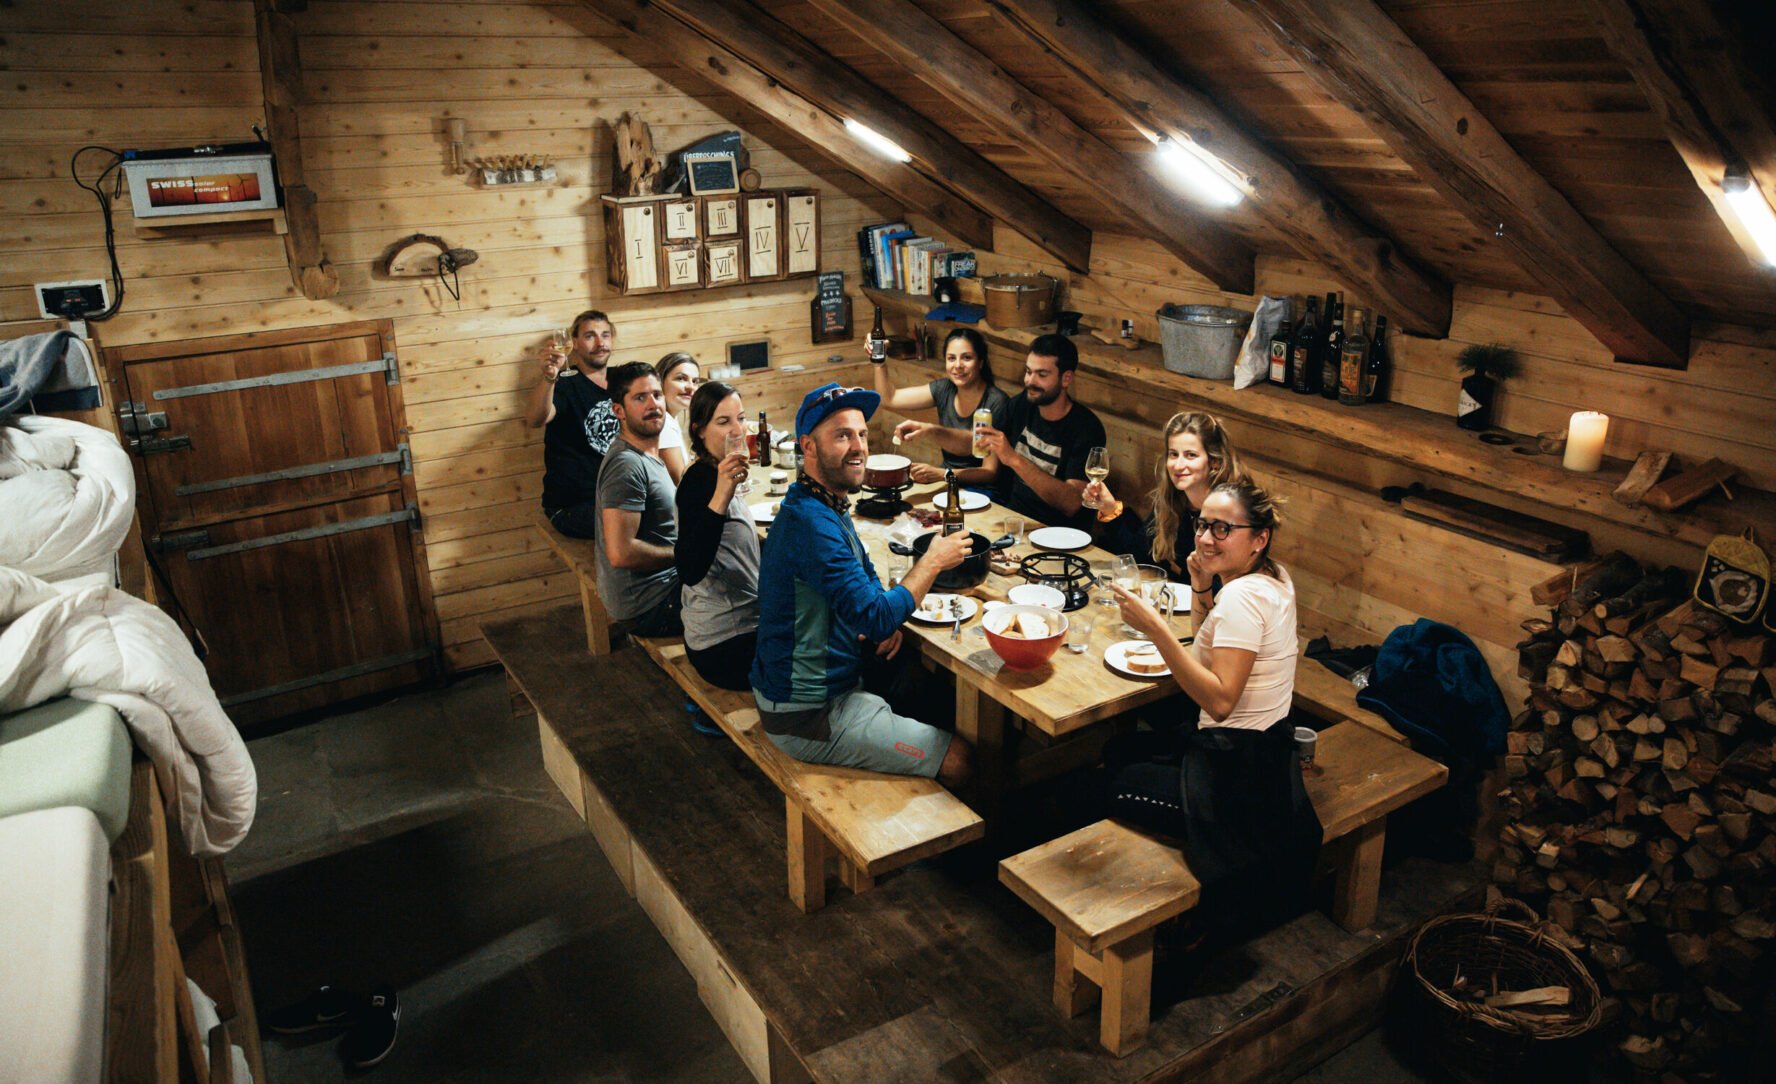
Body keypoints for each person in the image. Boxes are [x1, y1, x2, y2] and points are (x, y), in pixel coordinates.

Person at [1105, 478, 1320, 932]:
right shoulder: (1272, 578)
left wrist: (1156, 630)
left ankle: (1160, 919)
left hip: (1236, 775)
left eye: (1224, 529)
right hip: (1269, 757)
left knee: (1114, 780)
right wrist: (1202, 588)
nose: (1205, 538)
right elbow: (1208, 646)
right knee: (1125, 750)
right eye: (1203, 525)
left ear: (1259, 539)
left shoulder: (1243, 599)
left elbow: (1221, 701)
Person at [751, 382, 975, 784]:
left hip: (825, 686)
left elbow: (866, 576)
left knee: (926, 686)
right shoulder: (812, 523)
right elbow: (875, 616)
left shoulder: (821, 503)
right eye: (841, 435)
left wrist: (881, 621)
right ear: (809, 447)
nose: (858, 446)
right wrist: (932, 560)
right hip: (807, 714)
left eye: (861, 434)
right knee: (961, 759)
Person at [908, 334, 1105, 530]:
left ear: (1066, 378)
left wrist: (1013, 458)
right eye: (1028, 371)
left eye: (1042, 375)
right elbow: (977, 441)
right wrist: (932, 431)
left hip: (1058, 532)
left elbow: (1071, 503)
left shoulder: (1086, 428)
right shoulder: (1021, 404)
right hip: (1012, 517)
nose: (1030, 381)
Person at [1087, 411, 1248, 577]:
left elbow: (1224, 582)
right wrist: (1110, 508)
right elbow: (1140, 554)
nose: (1178, 465)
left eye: (1190, 455)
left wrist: (1181, 571)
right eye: (1173, 454)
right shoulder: (1172, 500)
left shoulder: (1232, 510)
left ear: (1215, 461)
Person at [674, 380, 759, 691]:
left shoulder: (715, 471)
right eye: (724, 421)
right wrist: (722, 494)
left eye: (741, 417)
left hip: (742, 626)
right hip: (724, 644)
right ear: (699, 430)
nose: (737, 429)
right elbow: (689, 569)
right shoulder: (699, 483)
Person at [594, 362, 682, 636]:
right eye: (640, 398)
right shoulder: (627, 465)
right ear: (618, 410)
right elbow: (621, 554)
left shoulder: (649, 454)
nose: (653, 404)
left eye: (657, 395)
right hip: (650, 604)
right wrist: (685, 554)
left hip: (662, 588)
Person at [873, 328, 1011, 482]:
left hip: (984, 492)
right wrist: (879, 362)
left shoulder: (996, 402)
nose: (958, 365)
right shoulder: (944, 388)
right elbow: (889, 399)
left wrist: (942, 474)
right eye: (951, 358)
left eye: (967, 358)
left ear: (980, 362)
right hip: (947, 482)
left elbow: (989, 472)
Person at [529, 310, 620, 538]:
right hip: (574, 505)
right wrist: (550, 376)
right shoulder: (564, 383)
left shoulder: (625, 380)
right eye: (590, 336)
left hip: (621, 496)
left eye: (605, 335)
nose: (600, 343)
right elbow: (536, 419)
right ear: (575, 343)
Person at [654, 351, 700, 484]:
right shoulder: (662, 425)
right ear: (660, 381)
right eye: (681, 378)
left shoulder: (670, 419)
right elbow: (683, 483)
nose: (691, 387)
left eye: (695, 381)